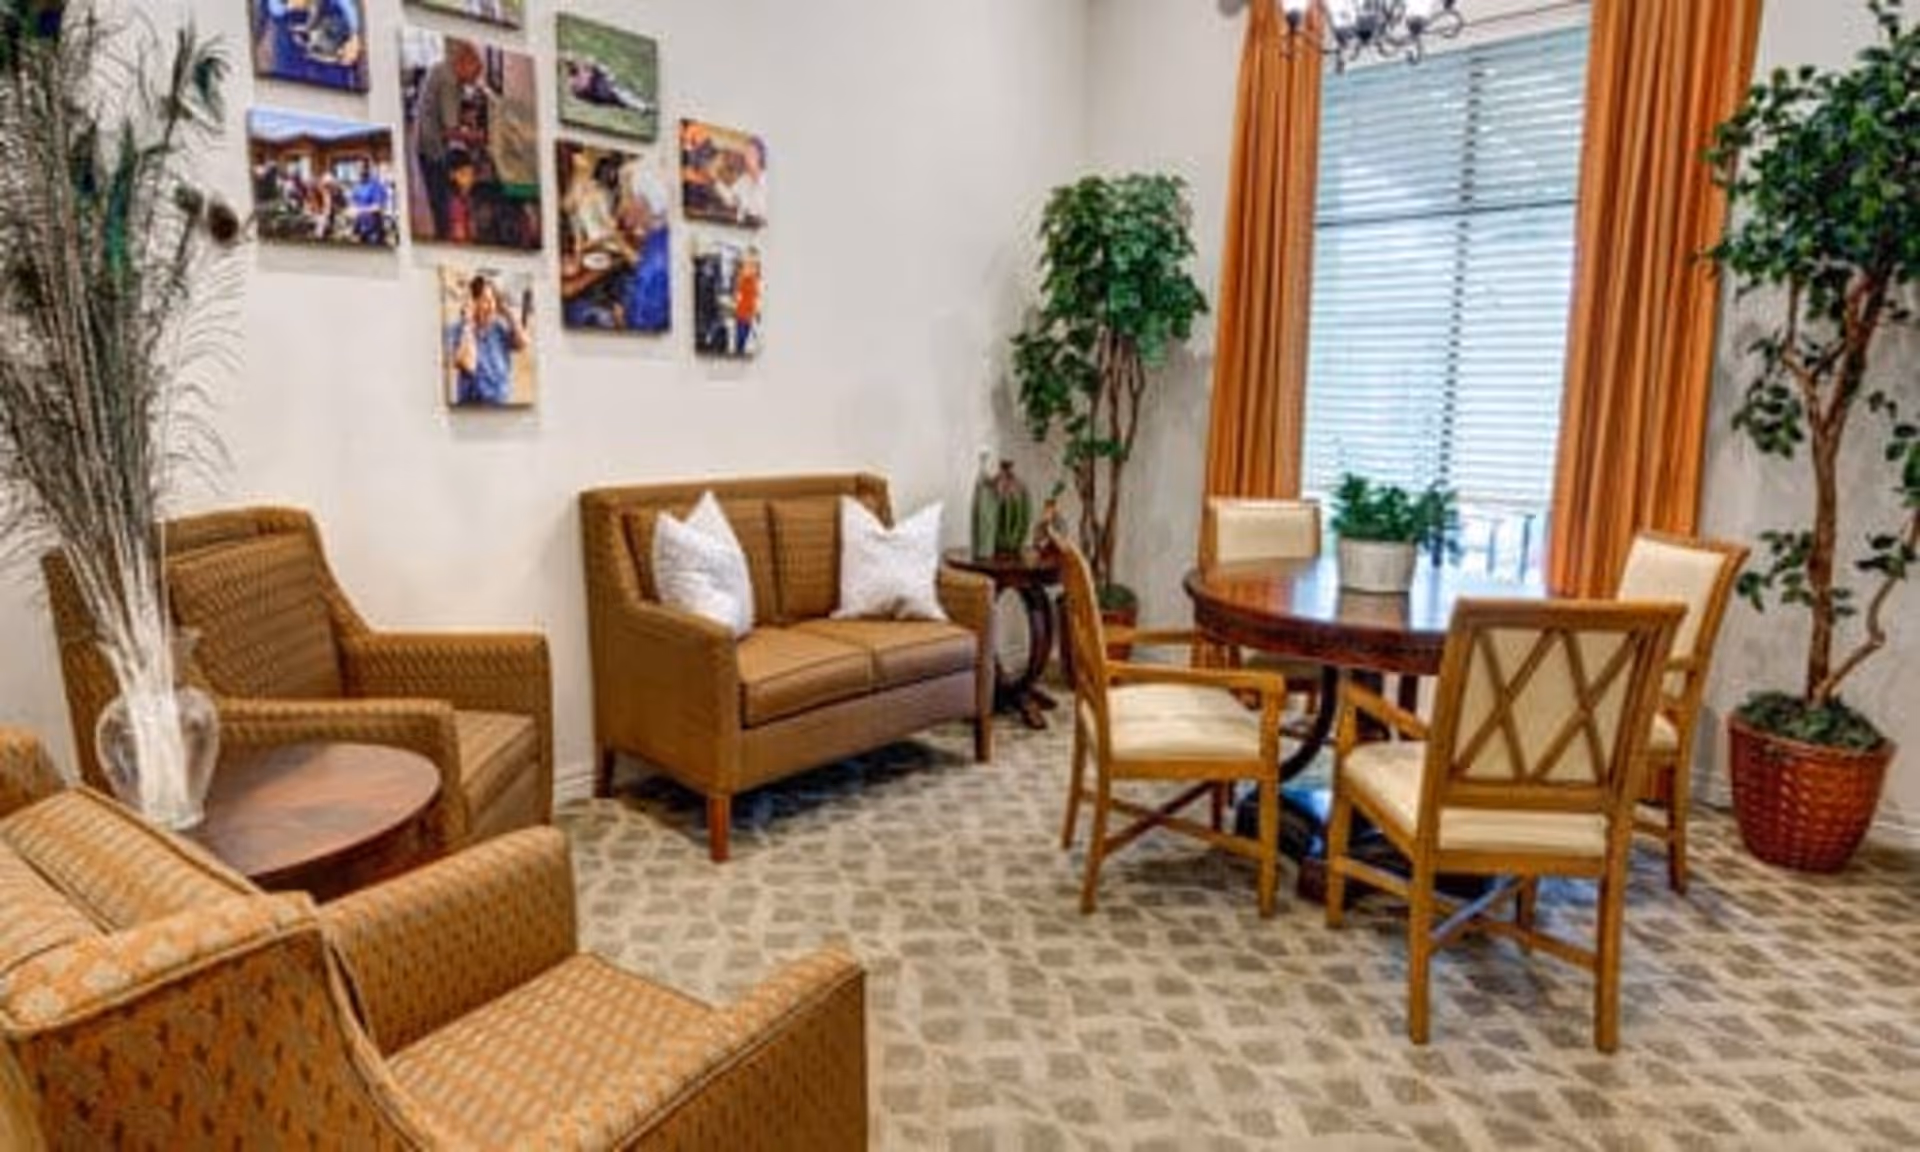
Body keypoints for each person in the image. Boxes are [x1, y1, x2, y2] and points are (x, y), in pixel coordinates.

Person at [414, 39, 484, 241]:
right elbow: (451, 131)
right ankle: (443, 238)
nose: (474, 80)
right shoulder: (450, 81)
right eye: (475, 73)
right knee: (440, 203)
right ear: (464, 63)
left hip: (425, 138)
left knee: (440, 195)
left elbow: (448, 114)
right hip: (431, 147)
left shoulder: (443, 68)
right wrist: (476, 137)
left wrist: (464, 120)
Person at [447, 275, 528, 406]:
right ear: (473, 302)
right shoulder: (458, 330)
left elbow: (522, 343)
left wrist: (507, 311)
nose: (491, 306)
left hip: (500, 406)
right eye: (485, 300)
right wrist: (468, 322)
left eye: (493, 301)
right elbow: (468, 365)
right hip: (472, 411)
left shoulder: (498, 328)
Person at [732, 249, 761, 356]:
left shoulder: (754, 280)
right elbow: (737, 297)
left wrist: (756, 311)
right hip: (742, 315)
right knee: (740, 343)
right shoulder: (742, 279)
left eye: (754, 264)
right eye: (749, 264)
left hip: (749, 315)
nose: (752, 267)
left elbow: (755, 297)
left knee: (744, 341)